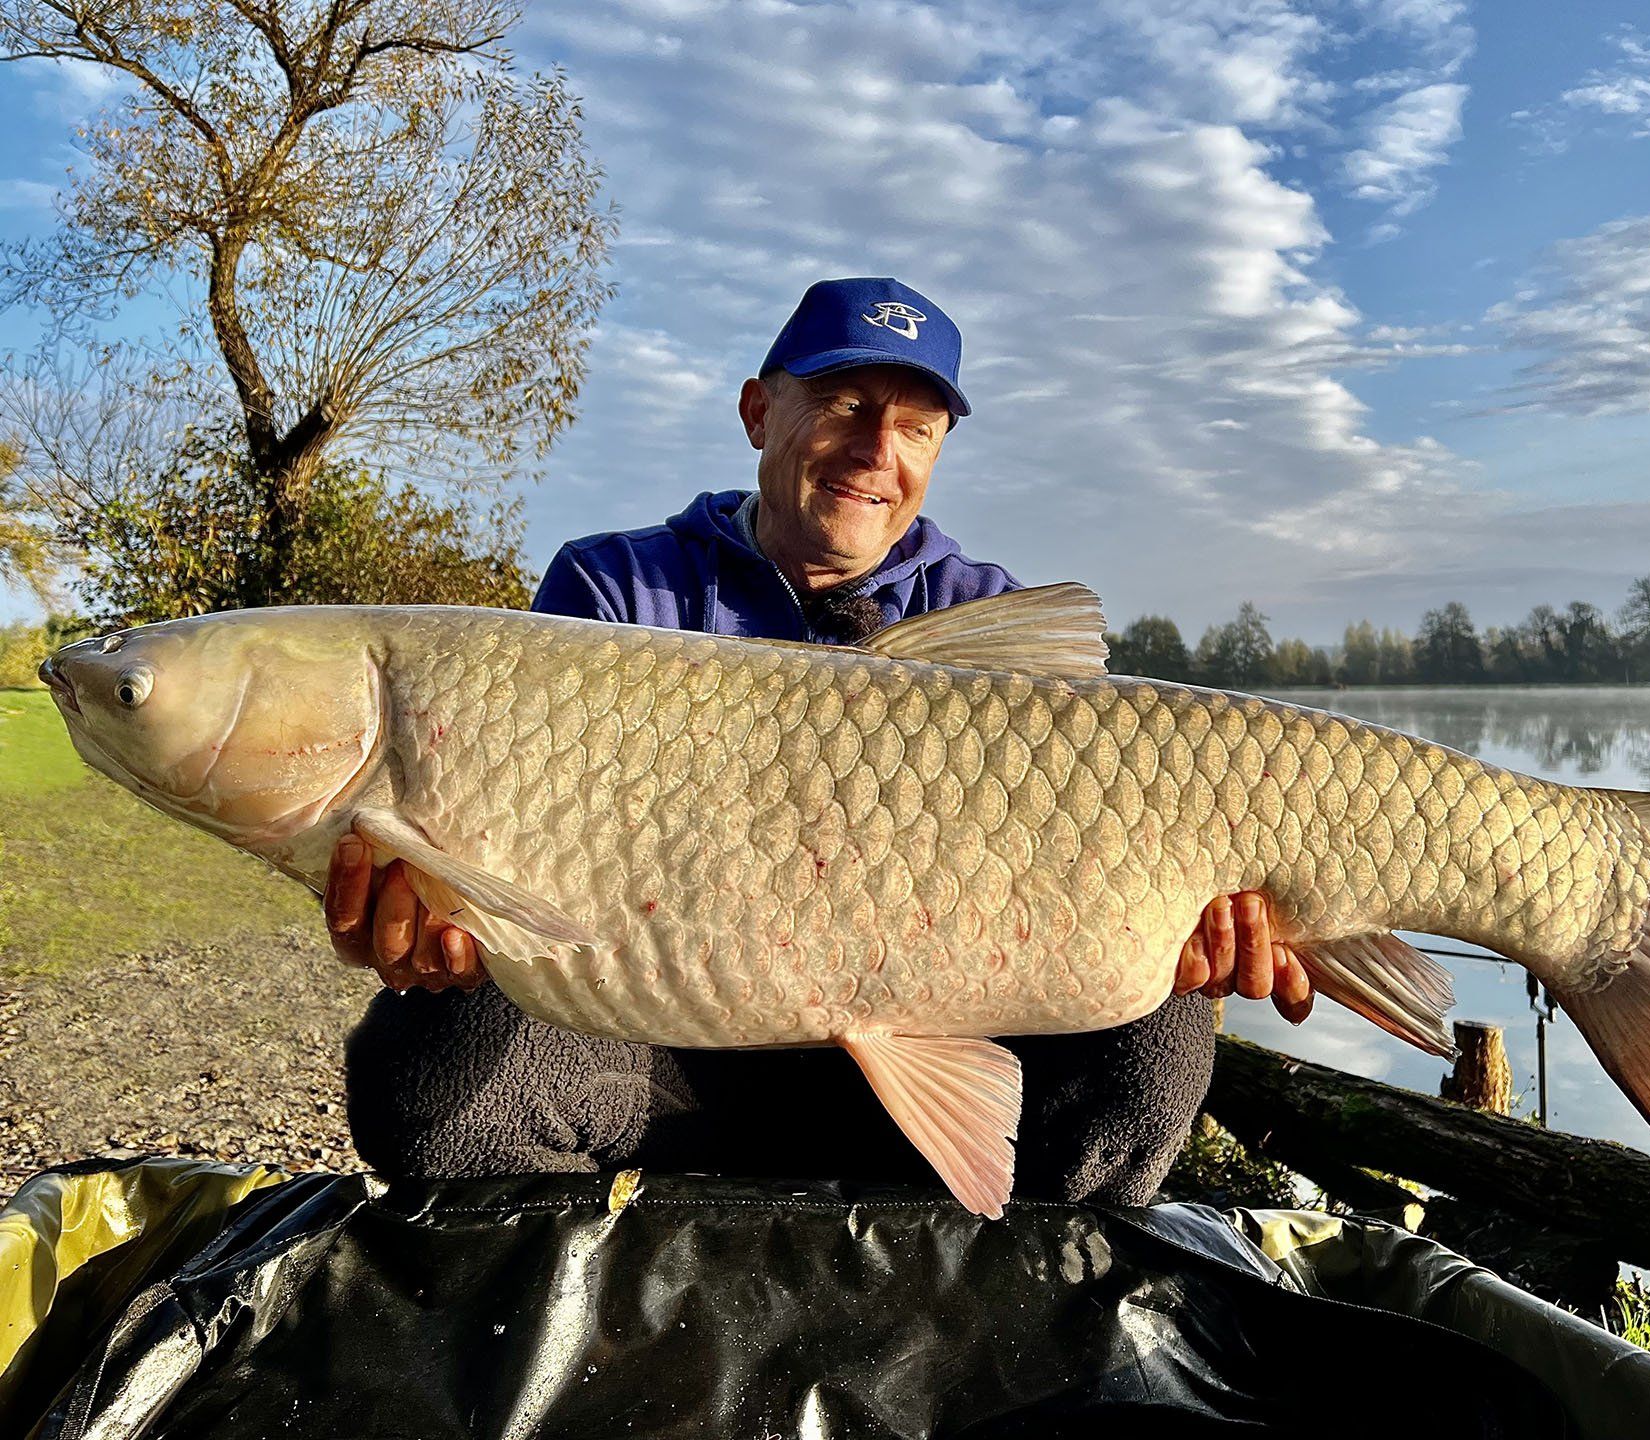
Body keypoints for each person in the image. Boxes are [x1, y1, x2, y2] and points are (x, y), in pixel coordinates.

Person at [330, 278, 1315, 1205]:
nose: (876, 451)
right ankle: (594, 1324)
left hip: (934, 1051)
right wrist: (438, 920)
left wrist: (1197, 926)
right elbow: (494, 856)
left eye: (916, 426)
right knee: (434, 1072)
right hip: (661, 1058)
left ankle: (995, 1326)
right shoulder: (613, 597)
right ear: (760, 412)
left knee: (1160, 1032)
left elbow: (1109, 862)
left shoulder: (991, 621)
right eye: (844, 404)